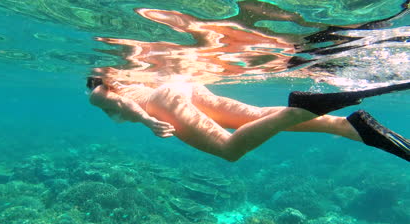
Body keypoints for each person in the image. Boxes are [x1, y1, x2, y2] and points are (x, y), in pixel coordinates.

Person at [87, 77, 409, 162]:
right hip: (181, 88)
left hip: (163, 102)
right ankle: (348, 126)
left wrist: (146, 121)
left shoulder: (95, 91)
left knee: (230, 149)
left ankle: (301, 108)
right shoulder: (126, 77)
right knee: (253, 118)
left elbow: (116, 102)